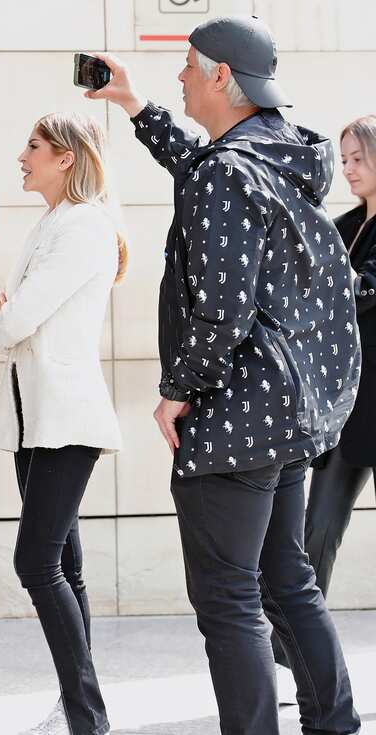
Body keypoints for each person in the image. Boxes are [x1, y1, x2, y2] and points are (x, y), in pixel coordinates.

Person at [88, 15, 362, 733]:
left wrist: (177, 391)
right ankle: (333, 722)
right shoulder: (274, 155)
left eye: (187, 65)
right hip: (287, 409)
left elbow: (223, 312)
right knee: (287, 581)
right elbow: (206, 168)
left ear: (220, 78)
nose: (178, 76)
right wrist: (136, 106)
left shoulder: (228, 173)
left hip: (235, 414)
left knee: (229, 598)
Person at [0, 112, 126, 735]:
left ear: (66, 158)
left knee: (35, 563)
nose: (21, 155)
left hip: (67, 419)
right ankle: (78, 709)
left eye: (34, 146)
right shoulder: (50, 225)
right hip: (31, 420)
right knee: (63, 567)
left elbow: (12, 326)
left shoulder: (84, 228)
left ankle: (85, 715)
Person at [272, 113, 376, 697]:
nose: (350, 168)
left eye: (359, 156)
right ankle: (290, 664)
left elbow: (352, 293)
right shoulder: (343, 227)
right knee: (313, 539)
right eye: (345, 157)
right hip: (347, 410)